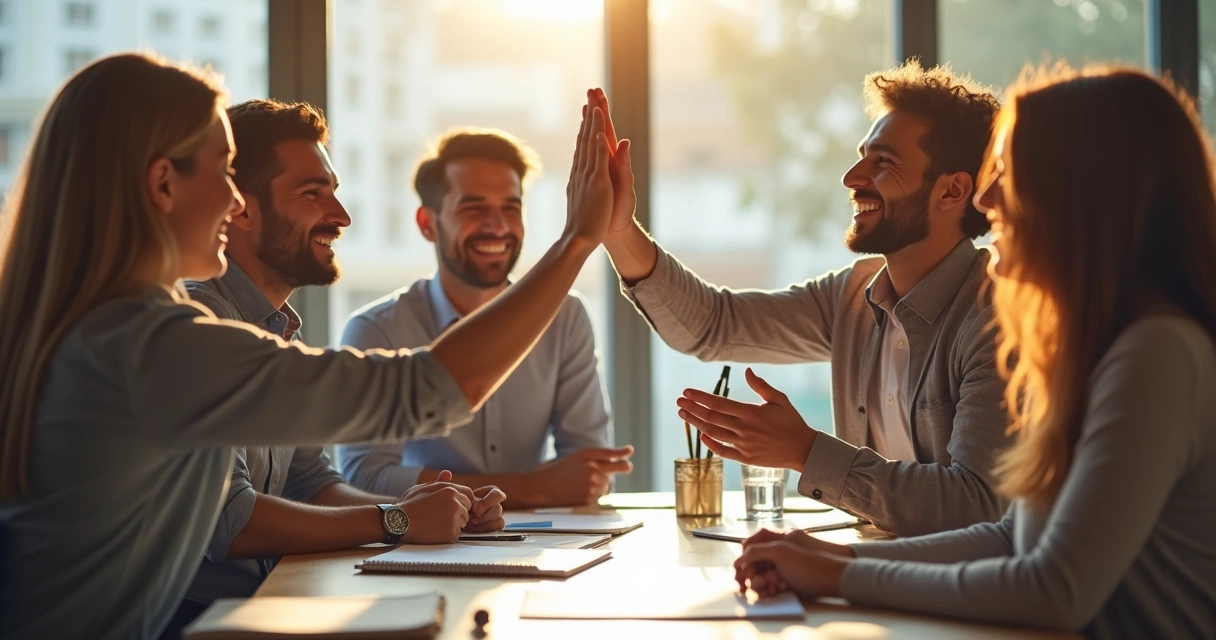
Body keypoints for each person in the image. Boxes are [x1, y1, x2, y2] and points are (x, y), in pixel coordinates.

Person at [0, 54, 615, 640]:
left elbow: (308, 478)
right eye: (222, 172)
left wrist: (414, 509)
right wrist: (576, 241)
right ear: (163, 184)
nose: (233, 199)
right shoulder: (152, 346)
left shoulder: (113, 328)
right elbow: (428, 389)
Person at [733, 66, 1216, 639]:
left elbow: (1052, 588)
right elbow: (1012, 535)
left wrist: (838, 578)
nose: (986, 201)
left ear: (1083, 192)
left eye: (1008, 172)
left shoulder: (1157, 354)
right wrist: (836, 560)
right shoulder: (1095, 351)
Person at [596, 62, 1008, 536]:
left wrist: (805, 451)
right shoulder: (851, 296)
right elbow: (713, 326)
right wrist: (619, 231)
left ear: (952, 191)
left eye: (884, 162)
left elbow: (975, 505)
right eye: (862, 156)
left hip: (961, 594)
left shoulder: (995, 318)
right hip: (877, 571)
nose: (852, 177)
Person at [160, 101, 509, 637]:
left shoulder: (278, 324)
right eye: (312, 193)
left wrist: (427, 511)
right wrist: (396, 522)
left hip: (262, 605)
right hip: (188, 621)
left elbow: (310, 479)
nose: (341, 215)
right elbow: (230, 522)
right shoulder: (198, 323)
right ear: (241, 209)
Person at [338, 128, 631, 508]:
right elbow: (367, 477)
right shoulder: (377, 330)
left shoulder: (566, 316)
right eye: (473, 208)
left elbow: (589, 471)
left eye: (511, 208)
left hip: (540, 548)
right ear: (428, 223)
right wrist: (533, 489)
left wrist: (558, 484)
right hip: (426, 550)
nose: (497, 226)